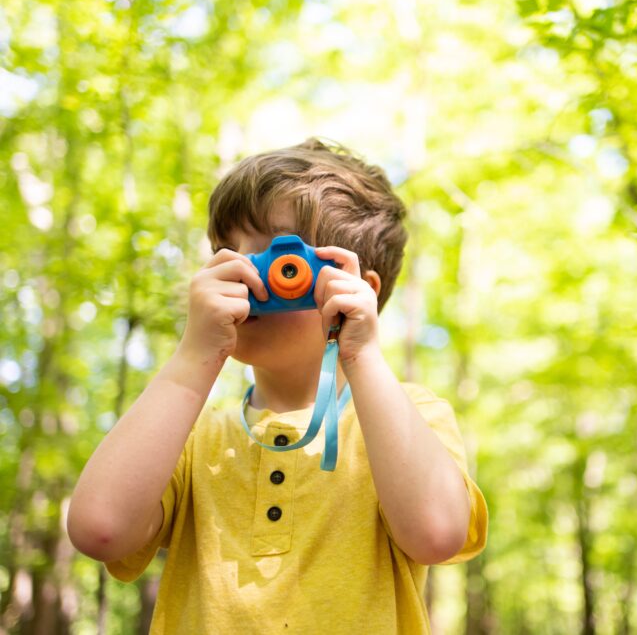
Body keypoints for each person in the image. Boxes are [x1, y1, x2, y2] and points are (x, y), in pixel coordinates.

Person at [67, 138, 488, 633]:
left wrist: (363, 354)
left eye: (276, 255)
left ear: (358, 292)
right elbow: (99, 530)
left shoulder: (410, 417)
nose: (240, 270)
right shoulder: (191, 438)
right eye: (224, 251)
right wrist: (193, 358)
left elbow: (437, 533)